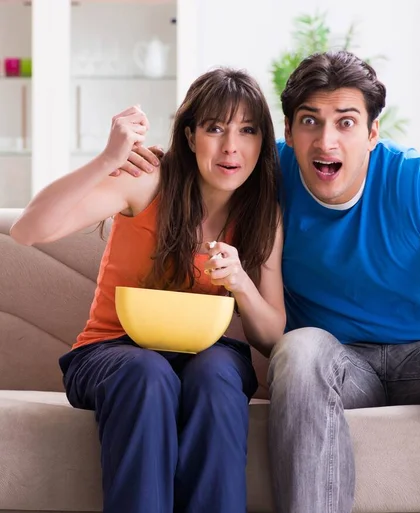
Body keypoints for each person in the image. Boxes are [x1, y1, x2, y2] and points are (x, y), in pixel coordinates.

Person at [121, 51, 420, 513]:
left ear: (372, 134)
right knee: (299, 347)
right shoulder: (267, 176)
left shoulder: (417, 182)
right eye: (310, 121)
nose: (326, 141)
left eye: (346, 123)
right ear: (289, 131)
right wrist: (150, 165)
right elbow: (207, 163)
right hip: (337, 362)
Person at [10, 68, 285, 513]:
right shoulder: (148, 179)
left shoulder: (262, 214)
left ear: (262, 141)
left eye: (248, 130)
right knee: (147, 372)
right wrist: (105, 159)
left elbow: (272, 336)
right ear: (191, 136)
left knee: (216, 374)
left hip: (203, 355)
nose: (231, 146)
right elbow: (27, 231)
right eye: (215, 128)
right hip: (111, 353)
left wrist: (241, 284)